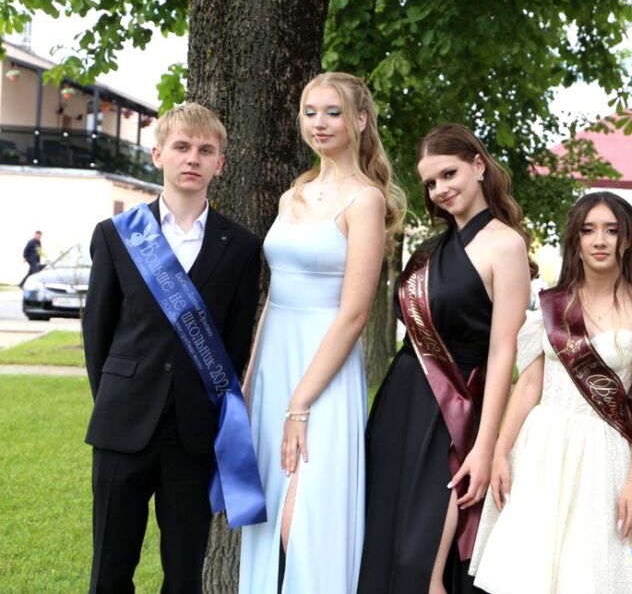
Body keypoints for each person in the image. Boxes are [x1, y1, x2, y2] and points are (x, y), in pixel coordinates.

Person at [83, 103, 262, 593]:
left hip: (193, 433)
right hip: (123, 422)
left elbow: (235, 342)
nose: (192, 158)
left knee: (184, 574)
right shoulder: (116, 236)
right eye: (181, 147)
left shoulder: (241, 247)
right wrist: (117, 395)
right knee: (109, 569)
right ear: (158, 154)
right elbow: (97, 333)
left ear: (220, 163)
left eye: (205, 150)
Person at [239, 72, 405, 593]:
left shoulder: (366, 201)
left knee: (305, 522)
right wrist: (249, 381)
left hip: (323, 374)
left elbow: (354, 314)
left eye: (333, 111)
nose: (319, 122)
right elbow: (273, 297)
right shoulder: (293, 194)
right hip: (274, 365)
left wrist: (300, 403)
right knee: (266, 517)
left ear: (360, 120)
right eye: (310, 112)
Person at [470, 192, 632, 594]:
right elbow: (527, 386)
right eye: (588, 230)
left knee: (589, 571)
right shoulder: (551, 306)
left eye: (611, 231)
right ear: (576, 240)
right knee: (530, 570)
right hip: (541, 447)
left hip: (605, 452)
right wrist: (500, 452)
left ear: (626, 240)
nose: (599, 240)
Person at [359, 123, 532, 594]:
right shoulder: (427, 251)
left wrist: (485, 446)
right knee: (383, 538)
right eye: (431, 182)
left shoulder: (506, 245)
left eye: (448, 174)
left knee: (422, 558)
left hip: (452, 413)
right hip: (399, 403)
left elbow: (504, 352)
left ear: (478, 165)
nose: (440, 190)